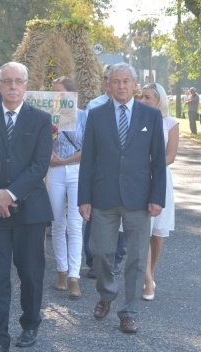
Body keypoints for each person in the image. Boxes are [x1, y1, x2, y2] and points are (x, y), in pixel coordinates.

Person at [78, 62, 166, 334]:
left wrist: (157, 197)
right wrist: (84, 198)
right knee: (101, 253)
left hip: (138, 198)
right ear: (108, 85)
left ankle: (128, 311)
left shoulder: (150, 117)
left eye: (126, 81)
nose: (121, 86)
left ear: (135, 85)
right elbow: (88, 159)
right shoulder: (97, 115)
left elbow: (158, 162)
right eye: (116, 81)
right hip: (103, 195)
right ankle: (106, 294)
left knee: (137, 259)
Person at [0, 61, 53, 352]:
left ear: (26, 85)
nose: (13, 86)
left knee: (30, 272)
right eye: (7, 81)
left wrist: (9, 194)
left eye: (18, 81)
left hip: (30, 210)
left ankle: (30, 324)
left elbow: (40, 164)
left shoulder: (40, 120)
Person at [83, 64, 126, 280]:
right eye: (109, 79)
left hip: (124, 180)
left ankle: (116, 258)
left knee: (120, 223)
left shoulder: (135, 109)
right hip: (101, 176)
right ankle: (94, 261)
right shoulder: (95, 106)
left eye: (119, 79)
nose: (113, 83)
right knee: (96, 222)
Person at [47, 76, 86, 298]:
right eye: (53, 93)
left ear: (71, 95)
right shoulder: (48, 116)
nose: (56, 97)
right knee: (57, 223)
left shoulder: (83, 116)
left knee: (75, 223)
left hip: (77, 170)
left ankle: (74, 276)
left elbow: (89, 147)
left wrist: (64, 160)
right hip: (54, 171)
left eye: (60, 92)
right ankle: (61, 271)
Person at [140, 83, 178, 300]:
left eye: (147, 97)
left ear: (159, 100)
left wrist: (152, 167)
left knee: (157, 233)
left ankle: (151, 273)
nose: (143, 101)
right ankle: (146, 281)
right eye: (142, 97)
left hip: (161, 178)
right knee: (143, 229)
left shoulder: (170, 123)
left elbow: (171, 156)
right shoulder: (139, 120)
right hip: (140, 179)